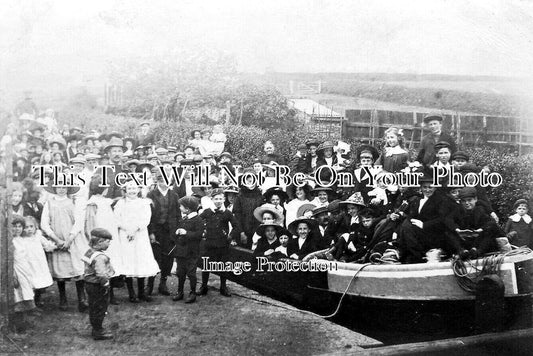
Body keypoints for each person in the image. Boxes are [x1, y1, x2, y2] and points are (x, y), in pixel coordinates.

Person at [40, 182, 88, 312]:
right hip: (57, 239)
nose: (61, 189)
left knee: (78, 268)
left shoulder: (73, 202)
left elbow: (79, 222)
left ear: (68, 188)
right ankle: (63, 298)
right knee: (60, 270)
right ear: (54, 188)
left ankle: (82, 299)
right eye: (59, 187)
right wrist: (56, 239)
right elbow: (44, 223)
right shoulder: (49, 203)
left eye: (64, 187)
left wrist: (70, 239)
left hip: (73, 240)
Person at [114, 180, 160, 303]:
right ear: (125, 190)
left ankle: (141, 292)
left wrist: (135, 229)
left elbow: (146, 219)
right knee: (128, 261)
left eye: (134, 188)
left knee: (141, 261)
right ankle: (131, 293)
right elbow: (116, 218)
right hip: (125, 235)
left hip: (140, 235)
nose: (132, 191)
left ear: (139, 190)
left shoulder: (144, 203)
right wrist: (127, 230)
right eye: (129, 188)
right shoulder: (120, 203)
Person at [146, 170, 181, 296]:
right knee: (155, 256)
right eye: (161, 179)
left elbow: (178, 215)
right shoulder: (151, 194)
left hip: (170, 231)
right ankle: (149, 284)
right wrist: (151, 233)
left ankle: (163, 282)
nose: (164, 182)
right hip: (157, 230)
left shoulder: (174, 195)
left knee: (168, 257)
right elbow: (148, 216)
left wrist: (177, 230)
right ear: (158, 180)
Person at [199, 188, 238, 297]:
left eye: (220, 199)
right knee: (206, 265)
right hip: (209, 243)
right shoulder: (207, 212)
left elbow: (236, 226)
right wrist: (203, 232)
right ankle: (204, 286)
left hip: (222, 244)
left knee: (223, 265)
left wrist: (230, 236)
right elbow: (198, 222)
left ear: (223, 199)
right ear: (212, 199)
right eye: (216, 199)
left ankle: (223, 287)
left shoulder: (227, 213)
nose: (218, 201)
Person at [446, 187, 499, 259]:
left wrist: (480, 230)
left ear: (475, 199)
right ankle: (461, 251)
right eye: (464, 201)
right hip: (465, 241)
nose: (467, 203)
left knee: (491, 230)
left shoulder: (481, 210)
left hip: (479, 241)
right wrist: (458, 230)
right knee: (448, 231)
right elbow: (448, 220)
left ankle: (477, 251)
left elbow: (491, 222)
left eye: (469, 200)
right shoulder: (458, 210)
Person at [82, 228, 115, 340]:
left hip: (89, 284)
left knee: (94, 307)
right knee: (100, 307)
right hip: (98, 286)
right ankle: (98, 330)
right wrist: (105, 284)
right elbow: (101, 274)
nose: (109, 244)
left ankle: (96, 327)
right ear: (100, 242)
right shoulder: (100, 257)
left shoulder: (90, 252)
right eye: (108, 241)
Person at [172, 196, 204, 303]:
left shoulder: (198, 220)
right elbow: (179, 231)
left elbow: (199, 235)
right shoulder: (184, 218)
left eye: (181, 206)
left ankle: (192, 292)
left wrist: (186, 233)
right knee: (180, 272)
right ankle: (180, 291)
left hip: (192, 251)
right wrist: (177, 232)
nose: (179, 208)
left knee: (191, 273)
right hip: (181, 251)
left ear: (187, 208)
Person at [21, 216, 54, 307]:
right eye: (26, 227)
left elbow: (47, 245)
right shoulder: (22, 239)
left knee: (39, 282)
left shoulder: (38, 236)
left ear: (36, 227)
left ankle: (37, 300)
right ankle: (30, 302)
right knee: (30, 282)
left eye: (31, 227)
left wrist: (51, 246)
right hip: (29, 264)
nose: (29, 229)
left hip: (39, 264)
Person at [12, 216, 36, 333]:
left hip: (25, 270)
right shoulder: (10, 241)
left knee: (26, 294)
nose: (17, 229)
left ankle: (25, 322)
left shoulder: (21, 239)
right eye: (14, 226)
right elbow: (9, 260)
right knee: (18, 296)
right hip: (17, 271)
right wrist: (13, 275)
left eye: (20, 226)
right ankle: (19, 326)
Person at [232, 170, 263, 248]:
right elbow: (237, 216)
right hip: (243, 232)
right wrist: (242, 233)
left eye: (252, 181)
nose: (250, 183)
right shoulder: (239, 197)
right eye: (248, 181)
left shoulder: (260, 196)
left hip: (257, 232)